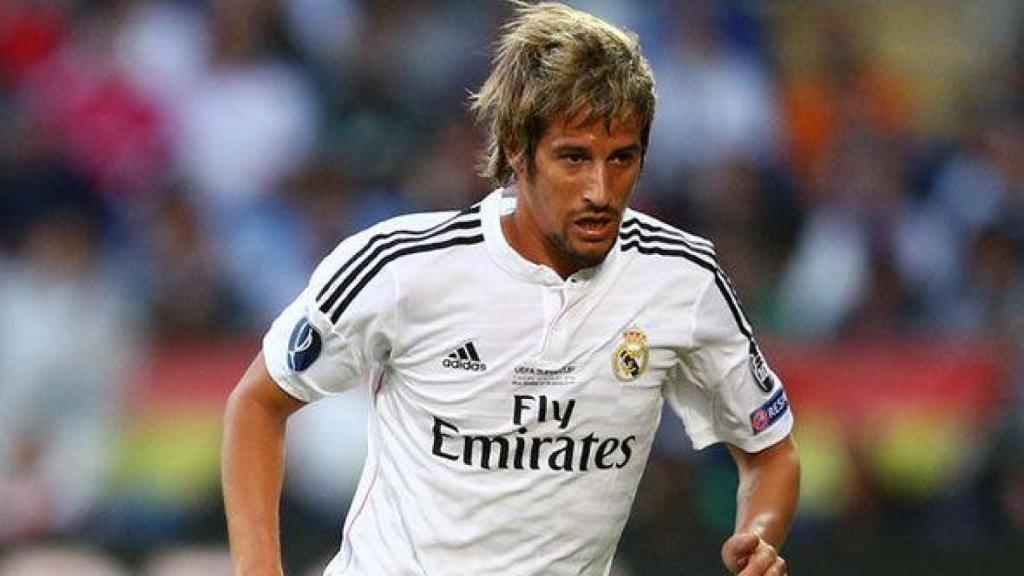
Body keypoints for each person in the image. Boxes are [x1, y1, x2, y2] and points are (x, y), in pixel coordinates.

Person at [222, 3, 800, 575]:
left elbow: (770, 452)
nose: (601, 188)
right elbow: (258, 402)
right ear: (517, 152)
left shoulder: (682, 279)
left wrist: (757, 536)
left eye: (622, 159)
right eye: (574, 158)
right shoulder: (400, 267)